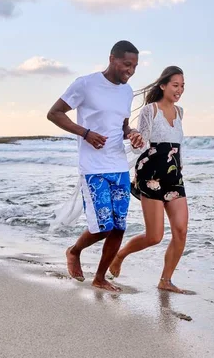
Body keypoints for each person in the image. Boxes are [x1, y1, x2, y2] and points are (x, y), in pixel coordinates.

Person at [47, 40, 144, 292]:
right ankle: (74, 251)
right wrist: (86, 133)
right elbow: (55, 113)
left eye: (134, 66)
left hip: (119, 165)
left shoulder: (126, 91)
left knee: (119, 227)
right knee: (102, 226)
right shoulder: (85, 84)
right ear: (112, 59)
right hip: (93, 167)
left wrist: (131, 133)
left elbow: (121, 127)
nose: (130, 70)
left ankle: (99, 277)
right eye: (126, 64)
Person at [108, 66, 189, 294]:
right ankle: (120, 255)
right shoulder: (150, 110)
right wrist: (135, 141)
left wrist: (180, 169)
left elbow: (178, 145)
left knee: (181, 230)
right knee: (154, 236)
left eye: (182, 86)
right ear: (163, 85)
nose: (179, 90)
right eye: (175, 85)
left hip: (174, 177)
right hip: (151, 176)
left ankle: (166, 280)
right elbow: (143, 142)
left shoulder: (180, 112)